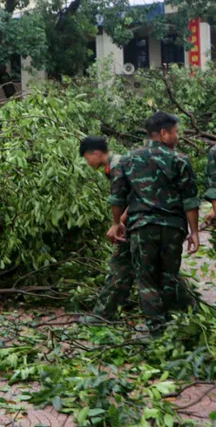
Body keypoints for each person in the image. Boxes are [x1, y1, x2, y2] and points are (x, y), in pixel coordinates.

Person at [79, 136, 195, 324]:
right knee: (150, 269)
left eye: (86, 157)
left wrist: (118, 223)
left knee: (130, 269)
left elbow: (133, 194)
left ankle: (106, 315)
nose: (87, 162)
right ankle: (190, 310)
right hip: (142, 225)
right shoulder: (115, 165)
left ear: (95, 153)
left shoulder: (118, 165)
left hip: (139, 225)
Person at [109, 112, 200, 336]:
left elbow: (117, 197)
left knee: (146, 279)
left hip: (142, 228)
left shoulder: (127, 159)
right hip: (173, 228)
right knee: (168, 276)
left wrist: (116, 223)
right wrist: (194, 232)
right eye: (176, 132)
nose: (177, 136)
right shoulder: (180, 160)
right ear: (163, 133)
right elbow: (190, 200)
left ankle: (157, 330)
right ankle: (169, 325)